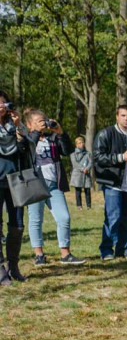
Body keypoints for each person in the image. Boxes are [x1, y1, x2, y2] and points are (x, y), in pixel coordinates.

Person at [22, 110, 84, 266]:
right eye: (38, 121)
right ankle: (39, 255)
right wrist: (36, 133)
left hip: (54, 184)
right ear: (29, 125)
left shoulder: (52, 138)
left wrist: (60, 132)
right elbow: (27, 153)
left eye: (44, 120)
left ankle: (65, 254)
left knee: (64, 217)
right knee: (36, 220)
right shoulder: (26, 139)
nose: (43, 123)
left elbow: (68, 150)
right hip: (36, 184)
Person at [94, 105, 127, 260]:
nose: (126, 119)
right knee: (112, 217)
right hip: (112, 182)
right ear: (116, 116)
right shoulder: (105, 134)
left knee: (125, 218)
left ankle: (123, 248)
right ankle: (106, 249)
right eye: (123, 115)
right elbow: (97, 157)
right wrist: (120, 157)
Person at [0, 95, 31, 285]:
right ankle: (0, 269)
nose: (0, 106)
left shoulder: (13, 126)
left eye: (2, 102)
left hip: (15, 180)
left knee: (18, 224)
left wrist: (19, 126)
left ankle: (13, 265)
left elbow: (23, 148)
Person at [70, 137, 92, 210]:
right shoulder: (73, 154)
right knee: (78, 191)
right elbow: (75, 164)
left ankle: (89, 206)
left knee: (87, 190)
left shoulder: (88, 153)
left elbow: (91, 162)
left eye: (82, 142)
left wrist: (87, 168)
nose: (82, 144)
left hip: (86, 175)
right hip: (77, 174)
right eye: (80, 143)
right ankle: (79, 206)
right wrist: (83, 169)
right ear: (76, 145)